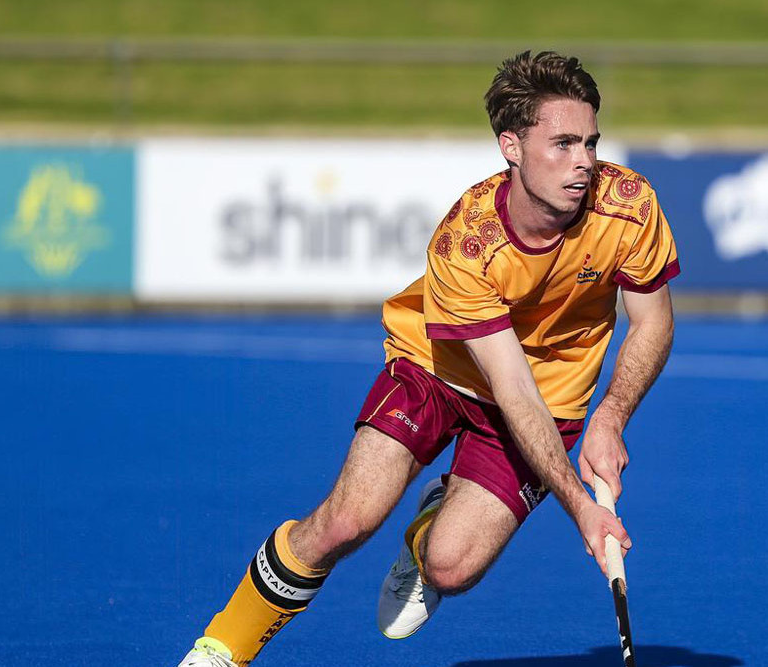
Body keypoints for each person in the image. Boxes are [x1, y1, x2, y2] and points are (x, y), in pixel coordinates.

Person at [178, 50, 679, 667]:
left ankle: (425, 538)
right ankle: (222, 647)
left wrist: (611, 417)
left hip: (553, 393)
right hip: (437, 367)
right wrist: (581, 508)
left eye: (591, 142)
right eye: (563, 143)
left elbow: (653, 320)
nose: (583, 162)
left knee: (451, 568)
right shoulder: (466, 242)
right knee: (346, 523)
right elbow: (508, 384)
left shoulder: (628, 204)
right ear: (511, 147)